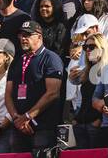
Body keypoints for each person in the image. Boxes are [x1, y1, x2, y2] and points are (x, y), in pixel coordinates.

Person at [5, 20, 64, 151]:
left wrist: (28, 116)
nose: (23, 38)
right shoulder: (17, 61)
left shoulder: (51, 58)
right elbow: (8, 94)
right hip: (19, 126)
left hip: (42, 127)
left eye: (28, 35)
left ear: (39, 36)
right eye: (21, 35)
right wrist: (16, 118)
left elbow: (53, 93)